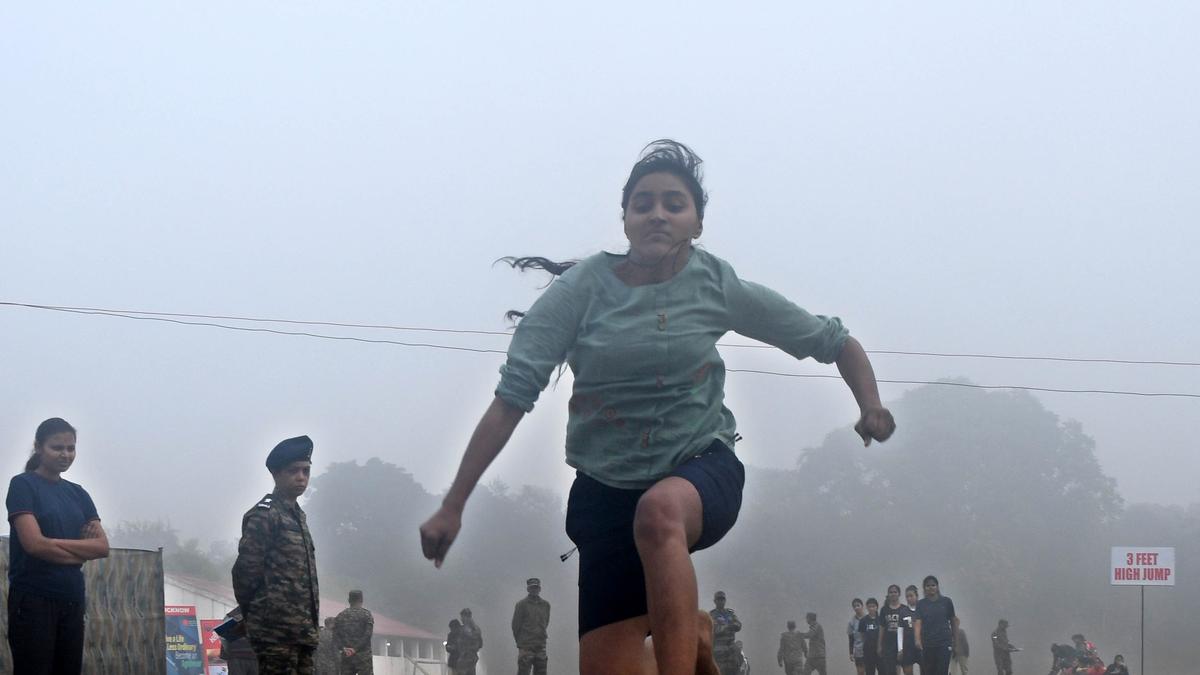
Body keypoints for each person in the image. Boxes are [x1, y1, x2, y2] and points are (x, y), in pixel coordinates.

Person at [418, 139, 896, 675]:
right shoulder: (582, 290)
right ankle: (686, 632)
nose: (657, 214)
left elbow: (832, 341)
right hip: (605, 493)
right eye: (642, 203)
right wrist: (453, 504)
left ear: (696, 222)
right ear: (624, 219)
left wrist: (870, 405)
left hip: (700, 468)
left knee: (660, 513)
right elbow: (511, 400)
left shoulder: (714, 283)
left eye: (674, 203)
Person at [6, 417, 110, 674]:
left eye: (71, 448)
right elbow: (34, 545)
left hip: (72, 599)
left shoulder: (78, 493)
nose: (65, 454)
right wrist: (77, 553)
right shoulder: (23, 485)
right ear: (38, 447)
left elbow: (101, 547)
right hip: (33, 600)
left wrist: (51, 543)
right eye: (57, 447)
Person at [231, 435, 320, 675]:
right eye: (294, 471)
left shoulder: (298, 517)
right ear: (277, 474)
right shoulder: (265, 514)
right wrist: (257, 617)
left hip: (302, 632)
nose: (301, 477)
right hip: (275, 633)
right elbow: (245, 573)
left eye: (306, 471)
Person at [913, 576, 958, 675]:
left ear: (937, 587)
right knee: (929, 671)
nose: (930, 588)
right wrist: (917, 640)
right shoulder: (921, 604)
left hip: (944, 642)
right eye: (928, 586)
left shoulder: (946, 602)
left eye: (933, 585)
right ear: (924, 588)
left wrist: (956, 642)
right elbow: (918, 623)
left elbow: (954, 622)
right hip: (928, 643)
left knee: (942, 670)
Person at [512, 577, 551, 675]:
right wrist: (521, 642)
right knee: (523, 672)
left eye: (536, 587)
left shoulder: (546, 605)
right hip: (526, 645)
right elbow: (515, 625)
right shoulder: (521, 605)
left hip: (540, 645)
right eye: (532, 588)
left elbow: (546, 622)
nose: (534, 590)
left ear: (539, 589)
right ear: (528, 589)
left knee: (541, 672)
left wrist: (539, 634)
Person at [334, 590, 375, 674]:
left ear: (349, 600)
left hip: (347, 656)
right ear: (361, 600)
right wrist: (355, 649)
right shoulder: (366, 615)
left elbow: (335, 636)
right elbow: (368, 635)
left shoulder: (341, 616)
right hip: (363, 657)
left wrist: (343, 648)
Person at [879, 585, 910, 675]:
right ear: (888, 594)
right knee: (891, 671)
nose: (893, 594)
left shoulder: (905, 609)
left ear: (899, 594)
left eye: (895, 592)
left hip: (903, 644)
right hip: (888, 645)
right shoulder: (884, 610)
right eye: (891, 592)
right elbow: (881, 628)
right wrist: (879, 645)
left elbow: (909, 628)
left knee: (906, 669)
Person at [711, 591, 743, 675]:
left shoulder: (730, 613)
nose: (721, 601)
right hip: (718, 650)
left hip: (731, 649)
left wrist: (733, 625)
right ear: (715, 601)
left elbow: (738, 625)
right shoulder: (711, 615)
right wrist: (726, 627)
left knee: (738, 666)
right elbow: (713, 630)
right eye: (719, 599)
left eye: (722, 599)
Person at [858, 598, 881, 675]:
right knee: (870, 672)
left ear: (877, 607)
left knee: (883, 671)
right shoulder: (863, 621)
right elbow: (862, 636)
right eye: (869, 606)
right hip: (868, 651)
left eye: (873, 606)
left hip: (880, 650)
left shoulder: (881, 619)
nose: (871, 608)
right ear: (867, 608)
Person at [457, 608, 483, 675]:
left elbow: (460, 642)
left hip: (465, 657)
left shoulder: (464, 628)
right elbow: (480, 644)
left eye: (462, 617)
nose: (461, 619)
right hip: (472, 657)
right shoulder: (477, 628)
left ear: (466, 617)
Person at [904, 585, 923, 674]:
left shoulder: (923, 609)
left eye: (911, 596)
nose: (909, 598)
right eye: (907, 596)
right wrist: (900, 649)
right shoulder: (903, 611)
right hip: (908, 646)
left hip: (922, 646)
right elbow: (900, 631)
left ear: (917, 596)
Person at [848, 599, 866, 675]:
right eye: (854, 606)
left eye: (858, 605)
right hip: (858, 651)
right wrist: (851, 653)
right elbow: (851, 638)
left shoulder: (868, 618)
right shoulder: (851, 622)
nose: (856, 607)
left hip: (869, 650)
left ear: (862, 606)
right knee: (860, 672)